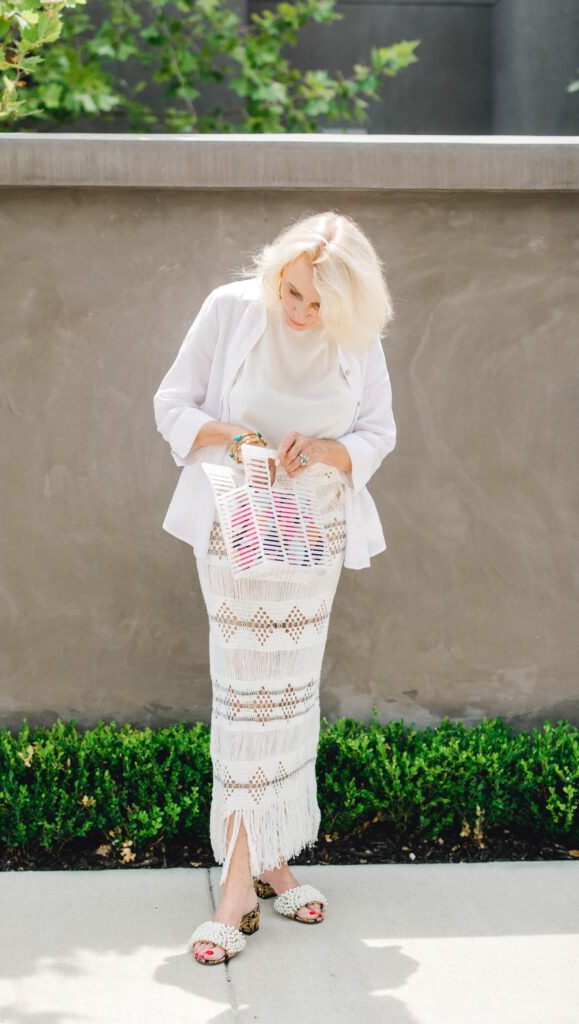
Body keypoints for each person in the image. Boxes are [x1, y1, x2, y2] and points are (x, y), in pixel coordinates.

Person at [153, 210, 397, 965]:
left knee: (290, 695)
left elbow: (377, 434)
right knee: (243, 695)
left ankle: (272, 854)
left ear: (347, 302)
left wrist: (324, 449)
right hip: (236, 525)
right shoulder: (231, 309)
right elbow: (172, 406)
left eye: (316, 303)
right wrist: (236, 436)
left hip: (313, 533)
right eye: (290, 293)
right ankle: (236, 880)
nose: (298, 311)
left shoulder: (358, 337)